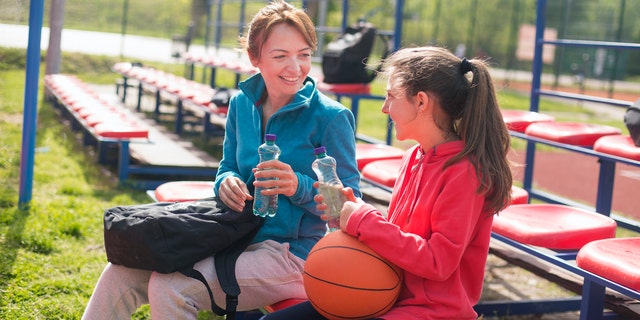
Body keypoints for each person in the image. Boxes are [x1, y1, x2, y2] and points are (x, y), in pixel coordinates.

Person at [81, 1, 361, 318]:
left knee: (171, 287)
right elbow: (227, 166)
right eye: (281, 55)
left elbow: (349, 205)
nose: (295, 67)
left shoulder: (331, 117)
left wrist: (298, 185)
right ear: (254, 57)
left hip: (292, 254)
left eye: (305, 54)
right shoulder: (241, 104)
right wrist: (225, 182)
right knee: (119, 273)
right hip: (231, 233)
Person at [262, 46, 513, 319]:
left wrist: (363, 220)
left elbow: (437, 262)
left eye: (391, 96)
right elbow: (399, 237)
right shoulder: (413, 157)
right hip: (385, 295)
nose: (384, 108)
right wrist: (351, 209)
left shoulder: (465, 173)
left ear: (421, 102)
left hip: (432, 312)